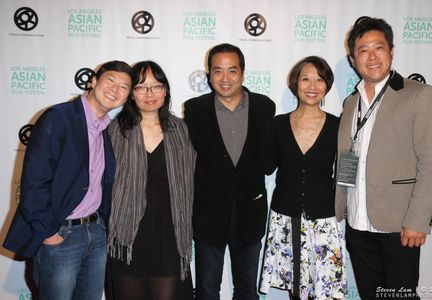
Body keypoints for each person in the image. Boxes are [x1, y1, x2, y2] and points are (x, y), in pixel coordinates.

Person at [335, 16, 432, 299]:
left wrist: (418, 220)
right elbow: (348, 158)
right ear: (352, 59)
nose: (371, 57)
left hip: (399, 226)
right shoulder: (351, 102)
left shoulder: (419, 95)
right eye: (363, 50)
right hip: (357, 224)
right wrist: (341, 209)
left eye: (378, 48)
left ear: (392, 52)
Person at [3, 60, 133, 299]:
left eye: (124, 87)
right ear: (93, 81)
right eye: (110, 80)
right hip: (61, 234)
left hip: (96, 233)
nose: (116, 89)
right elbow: (34, 181)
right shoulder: (59, 117)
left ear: (126, 97)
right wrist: (48, 233)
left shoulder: (107, 128)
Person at [183, 43, 275, 300]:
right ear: (209, 74)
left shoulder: (264, 107)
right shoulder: (194, 110)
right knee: (207, 289)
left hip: (250, 214)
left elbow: (268, 159)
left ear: (243, 73)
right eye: (218, 71)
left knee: (246, 290)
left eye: (232, 71)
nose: (225, 79)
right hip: (208, 214)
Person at [106, 60, 196, 300]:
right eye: (141, 87)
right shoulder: (116, 130)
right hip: (128, 233)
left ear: (165, 91)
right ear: (131, 94)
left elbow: (192, 176)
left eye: (156, 86)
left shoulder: (180, 129)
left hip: (170, 231)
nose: (149, 93)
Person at [259, 56, 347, 299]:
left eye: (319, 80)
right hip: (286, 217)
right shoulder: (276, 125)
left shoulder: (339, 126)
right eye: (306, 79)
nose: (312, 86)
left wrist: (346, 208)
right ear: (295, 83)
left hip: (325, 218)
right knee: (297, 290)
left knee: (324, 290)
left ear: (327, 85)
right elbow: (266, 167)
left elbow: (347, 172)